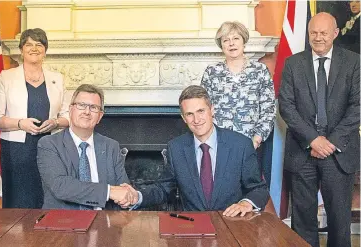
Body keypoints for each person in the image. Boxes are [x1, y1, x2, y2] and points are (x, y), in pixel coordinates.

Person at [122, 85, 268, 216]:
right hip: (193, 226)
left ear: (212, 110)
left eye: (201, 111)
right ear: (183, 118)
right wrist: (137, 196)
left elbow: (259, 189)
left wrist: (246, 203)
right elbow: (163, 189)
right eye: (189, 114)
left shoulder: (240, 145)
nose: (196, 119)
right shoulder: (176, 148)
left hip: (231, 223)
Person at [279, 12, 359, 247]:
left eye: (324, 33)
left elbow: (358, 107)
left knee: (339, 220)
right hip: (302, 151)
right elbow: (286, 106)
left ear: (335, 33)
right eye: (313, 32)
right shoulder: (293, 63)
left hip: (339, 151)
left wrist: (329, 141)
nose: (318, 37)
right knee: (302, 220)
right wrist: (313, 139)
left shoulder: (354, 62)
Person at [0, 28, 70, 209]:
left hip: (50, 147)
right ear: (21, 49)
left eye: (39, 44)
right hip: (16, 150)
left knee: (48, 197)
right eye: (29, 44)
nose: (34, 48)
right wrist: (20, 123)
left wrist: (55, 122)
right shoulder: (6, 77)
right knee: (19, 202)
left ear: (45, 49)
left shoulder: (57, 78)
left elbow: (67, 116)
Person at [37, 84, 136, 210]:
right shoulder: (49, 144)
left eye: (93, 107)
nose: (87, 112)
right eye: (81, 105)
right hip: (64, 223)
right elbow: (61, 186)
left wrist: (128, 196)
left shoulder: (111, 146)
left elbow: (123, 188)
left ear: (100, 116)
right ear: (71, 110)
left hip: (105, 222)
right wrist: (108, 191)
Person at [200, 21, 276, 186]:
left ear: (244, 41)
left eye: (236, 38)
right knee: (221, 193)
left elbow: (269, 109)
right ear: (221, 45)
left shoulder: (260, 71)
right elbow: (203, 109)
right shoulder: (212, 72)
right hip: (219, 146)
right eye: (226, 40)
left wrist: (256, 139)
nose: (231, 43)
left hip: (251, 145)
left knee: (249, 193)